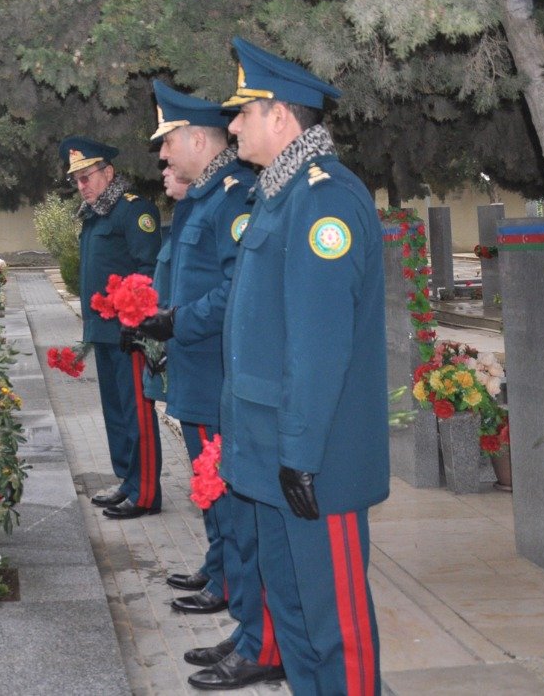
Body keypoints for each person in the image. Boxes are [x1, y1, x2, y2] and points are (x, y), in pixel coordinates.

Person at [220, 37, 387, 696]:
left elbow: (319, 345)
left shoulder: (323, 200)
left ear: (281, 117)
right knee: (291, 614)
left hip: (315, 461)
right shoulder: (279, 195)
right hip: (271, 451)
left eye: (243, 113)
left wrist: (299, 453)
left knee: (334, 624)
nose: (232, 127)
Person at [136, 80, 284, 689]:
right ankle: (246, 626)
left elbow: (233, 295)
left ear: (197, 138)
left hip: (222, 374)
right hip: (202, 375)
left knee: (240, 516)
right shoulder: (206, 198)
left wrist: (177, 322)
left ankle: (256, 636)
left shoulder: (234, 197)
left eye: (168, 144)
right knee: (223, 509)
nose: (163, 157)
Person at [61, 136, 162, 520]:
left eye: (87, 177)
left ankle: (147, 492)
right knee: (116, 411)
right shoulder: (95, 215)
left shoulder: (132, 212)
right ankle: (129, 481)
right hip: (102, 332)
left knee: (137, 411)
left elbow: (147, 270)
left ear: (109, 173)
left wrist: (135, 322)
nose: (82, 185)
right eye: (77, 180)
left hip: (127, 332)